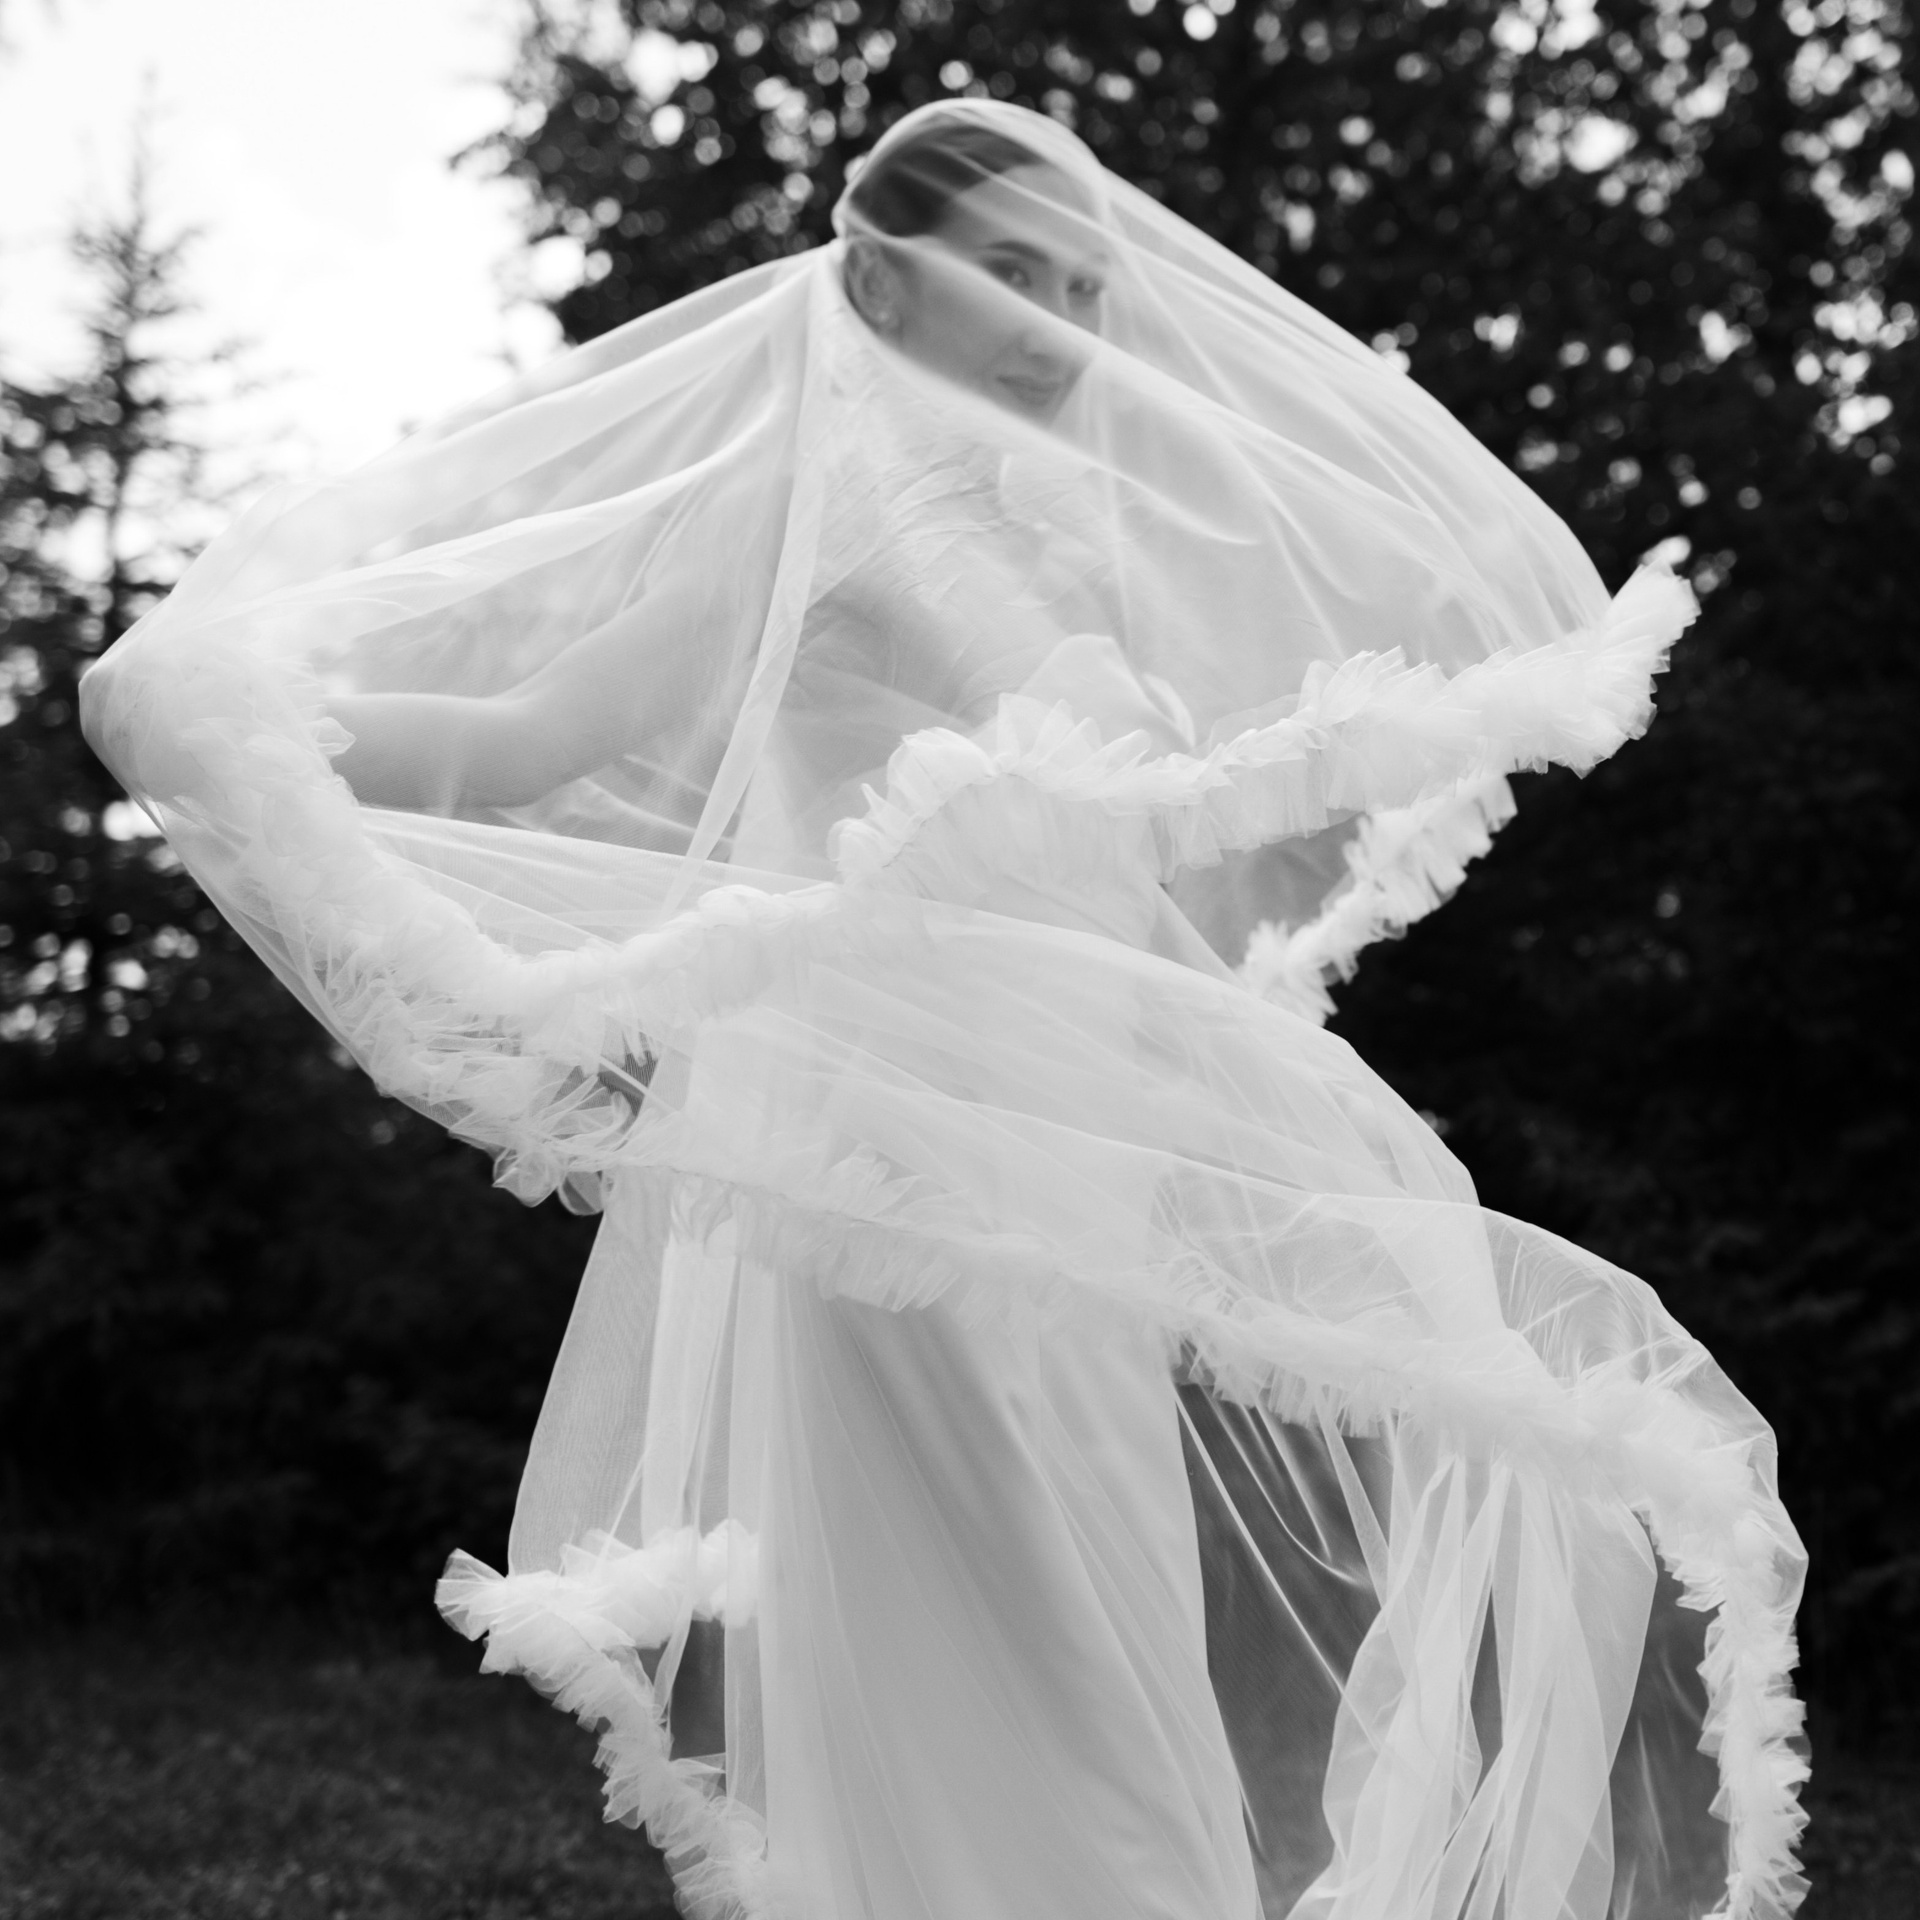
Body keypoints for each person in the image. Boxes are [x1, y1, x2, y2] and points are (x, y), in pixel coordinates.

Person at [81, 100, 1807, 1920]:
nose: (1058, 319)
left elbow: (1116, 864)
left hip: (1072, 1144)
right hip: (887, 1142)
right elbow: (533, 736)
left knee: (1102, 1604)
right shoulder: (817, 495)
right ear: (881, 280)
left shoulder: (1065, 529)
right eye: (1009, 272)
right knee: (1023, 1632)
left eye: (1080, 282)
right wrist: (233, 723)